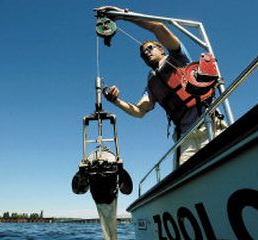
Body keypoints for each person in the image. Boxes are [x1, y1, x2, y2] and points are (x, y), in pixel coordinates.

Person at [96, 6, 227, 167]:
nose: (146, 53)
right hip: (185, 137)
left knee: (224, 163)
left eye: (150, 49)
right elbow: (139, 111)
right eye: (143, 54)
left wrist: (123, 15)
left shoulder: (178, 58)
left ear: (162, 50)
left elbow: (158, 27)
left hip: (210, 123)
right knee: (183, 180)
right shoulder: (151, 84)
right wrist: (116, 101)